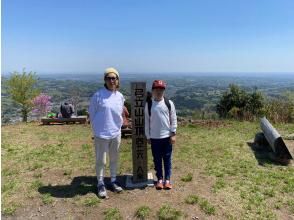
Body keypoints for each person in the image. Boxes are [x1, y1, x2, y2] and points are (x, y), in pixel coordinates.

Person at [88, 67, 125, 198]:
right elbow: (92, 114)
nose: (111, 80)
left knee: (114, 158)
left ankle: (113, 180)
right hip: (101, 134)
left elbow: (120, 113)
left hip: (116, 133)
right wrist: (97, 130)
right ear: (105, 80)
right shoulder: (98, 95)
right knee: (101, 160)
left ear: (117, 80)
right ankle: (100, 182)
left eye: (113, 78)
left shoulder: (120, 96)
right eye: (108, 78)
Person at [145, 80, 177, 190]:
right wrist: (148, 136)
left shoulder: (169, 103)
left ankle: (167, 180)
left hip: (167, 137)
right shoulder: (148, 105)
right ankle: (159, 179)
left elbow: (173, 119)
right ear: (153, 91)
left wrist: (173, 133)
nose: (159, 91)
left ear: (164, 90)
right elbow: (146, 122)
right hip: (154, 138)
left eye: (161, 89)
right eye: (156, 89)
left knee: (167, 159)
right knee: (157, 159)